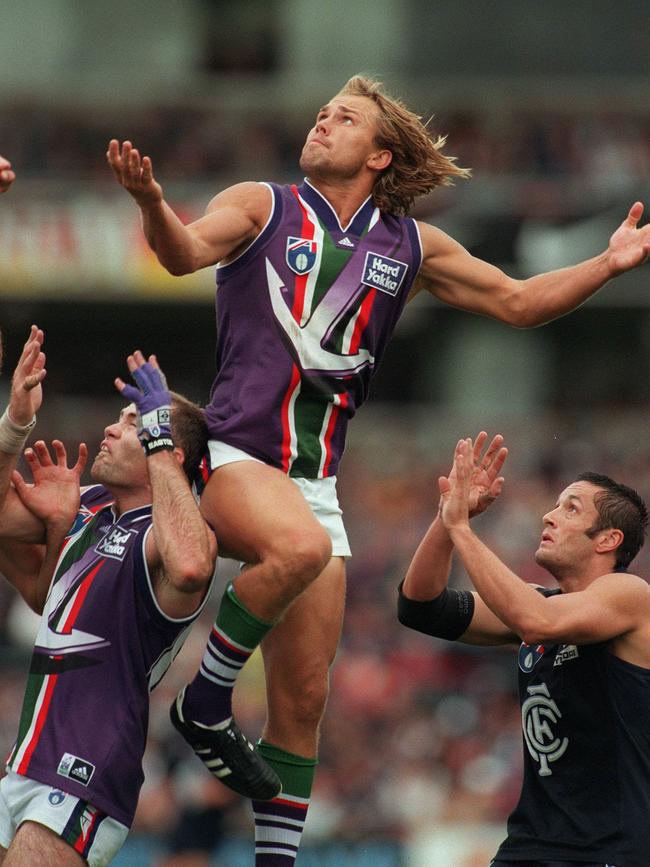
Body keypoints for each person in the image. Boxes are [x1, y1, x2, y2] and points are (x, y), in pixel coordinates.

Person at [106, 74, 650, 863]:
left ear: (381, 152)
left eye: (345, 117)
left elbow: (521, 301)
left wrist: (607, 264)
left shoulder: (414, 245)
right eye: (322, 113)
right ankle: (205, 695)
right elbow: (184, 251)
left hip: (314, 484)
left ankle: (274, 858)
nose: (323, 122)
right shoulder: (263, 204)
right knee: (297, 551)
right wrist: (153, 201)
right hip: (237, 457)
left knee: (304, 702)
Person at [0, 329, 218, 867]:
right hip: (26, 760)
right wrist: (15, 425)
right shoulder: (91, 507)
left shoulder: (176, 535)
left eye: (129, 423)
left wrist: (163, 442)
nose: (109, 429)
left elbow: (191, 569)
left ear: (166, 445)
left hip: (83, 771)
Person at [399, 434, 650, 867]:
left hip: (609, 851)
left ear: (608, 540)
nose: (549, 516)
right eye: (554, 504)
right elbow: (420, 606)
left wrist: (463, 530)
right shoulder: (542, 602)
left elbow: (537, 623)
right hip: (530, 846)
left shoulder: (629, 595)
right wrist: (447, 518)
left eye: (570, 508)